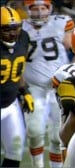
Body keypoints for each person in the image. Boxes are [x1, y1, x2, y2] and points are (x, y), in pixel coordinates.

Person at [22, 0, 75, 167]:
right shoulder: (19, 27)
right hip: (33, 87)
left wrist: (72, 70)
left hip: (59, 87)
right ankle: (37, 165)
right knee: (35, 131)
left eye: (43, 8)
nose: (39, 12)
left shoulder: (61, 22)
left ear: (49, 9)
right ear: (28, 10)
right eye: (35, 8)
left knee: (57, 135)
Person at [0, 6, 34, 167]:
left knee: (15, 152)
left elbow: (17, 70)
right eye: (6, 29)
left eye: (16, 28)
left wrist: (24, 90)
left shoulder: (24, 38)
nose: (13, 33)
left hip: (11, 104)